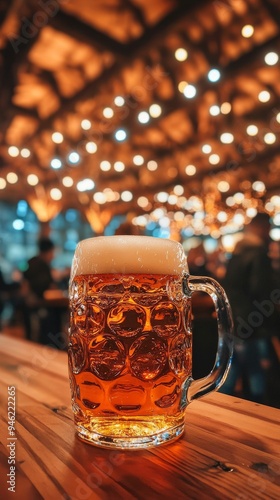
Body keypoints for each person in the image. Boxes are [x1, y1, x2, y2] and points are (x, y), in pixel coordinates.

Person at [220, 212, 280, 405]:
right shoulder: (259, 254)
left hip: (235, 320)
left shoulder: (237, 253)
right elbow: (261, 290)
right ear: (262, 228)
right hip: (254, 321)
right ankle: (260, 412)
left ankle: (221, 409)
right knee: (256, 372)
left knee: (232, 369)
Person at [22, 237, 62, 346]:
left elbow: (24, 284)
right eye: (52, 252)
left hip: (30, 306)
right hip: (40, 306)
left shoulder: (31, 262)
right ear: (48, 251)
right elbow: (50, 287)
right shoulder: (43, 265)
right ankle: (54, 345)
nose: (53, 256)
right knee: (55, 317)